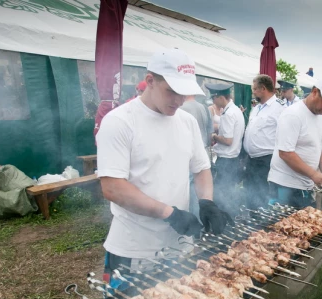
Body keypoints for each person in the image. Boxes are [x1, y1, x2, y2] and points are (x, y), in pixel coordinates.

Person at [96, 48, 231, 274]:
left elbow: (201, 169)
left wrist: (206, 201)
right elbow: (112, 187)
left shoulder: (187, 122)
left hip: (180, 245)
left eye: (184, 93)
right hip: (134, 247)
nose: (179, 100)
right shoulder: (119, 121)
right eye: (172, 91)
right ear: (150, 80)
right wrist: (169, 213)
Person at [268, 76, 322, 208]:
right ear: (314, 92)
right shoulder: (293, 114)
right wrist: (313, 173)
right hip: (286, 185)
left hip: (305, 185)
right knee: (281, 226)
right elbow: (285, 153)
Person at [242, 74, 285, 209]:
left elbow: (284, 135)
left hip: (265, 161)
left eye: (255, 89)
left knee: (262, 196)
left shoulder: (280, 108)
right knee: (250, 193)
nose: (253, 92)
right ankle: (251, 220)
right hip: (251, 160)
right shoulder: (257, 108)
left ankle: (261, 224)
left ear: (263, 89)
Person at [207, 82, 246, 218]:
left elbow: (228, 140)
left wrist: (214, 136)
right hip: (233, 160)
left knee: (221, 194)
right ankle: (232, 218)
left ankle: (226, 221)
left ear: (219, 97)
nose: (213, 101)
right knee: (229, 192)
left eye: (213, 98)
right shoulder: (235, 110)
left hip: (226, 162)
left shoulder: (228, 114)